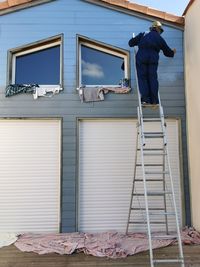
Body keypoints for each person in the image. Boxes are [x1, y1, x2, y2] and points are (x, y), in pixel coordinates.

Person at [128, 21, 176, 105]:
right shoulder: (159, 38)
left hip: (142, 57)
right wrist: (173, 52)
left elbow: (131, 43)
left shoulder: (143, 34)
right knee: (152, 78)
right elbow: (167, 52)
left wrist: (136, 39)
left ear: (151, 28)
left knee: (142, 78)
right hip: (153, 58)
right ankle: (154, 100)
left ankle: (146, 100)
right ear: (158, 30)